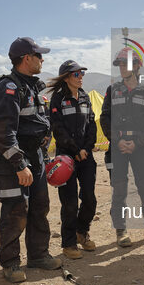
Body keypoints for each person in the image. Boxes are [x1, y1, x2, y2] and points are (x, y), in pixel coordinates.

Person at [0, 37, 61, 283]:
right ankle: (10, 263)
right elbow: (2, 132)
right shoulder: (8, 88)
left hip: (36, 159)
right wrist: (19, 164)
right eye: (39, 56)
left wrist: (44, 156)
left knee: (40, 207)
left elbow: (40, 124)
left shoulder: (34, 87)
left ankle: (38, 255)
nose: (43, 59)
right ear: (26, 58)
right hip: (13, 162)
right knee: (15, 211)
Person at [100, 47, 144, 247]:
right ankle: (121, 231)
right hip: (117, 148)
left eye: (125, 64)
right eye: (119, 64)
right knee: (119, 190)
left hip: (139, 148)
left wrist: (138, 142)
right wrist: (116, 140)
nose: (121, 68)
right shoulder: (113, 90)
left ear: (137, 66)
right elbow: (105, 117)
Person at [48, 60, 98, 259]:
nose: (81, 77)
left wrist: (86, 148)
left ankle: (81, 231)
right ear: (67, 77)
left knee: (90, 199)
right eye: (76, 74)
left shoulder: (85, 97)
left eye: (82, 74)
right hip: (66, 158)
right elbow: (57, 129)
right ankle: (68, 244)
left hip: (86, 157)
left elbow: (92, 124)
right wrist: (75, 150)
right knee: (69, 203)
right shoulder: (57, 100)